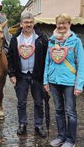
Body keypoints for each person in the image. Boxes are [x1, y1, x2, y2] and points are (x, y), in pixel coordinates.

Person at [43, 13, 84, 147]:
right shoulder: (52, 41)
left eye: (64, 23)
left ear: (69, 24)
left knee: (70, 112)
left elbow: (81, 64)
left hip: (69, 83)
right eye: (59, 23)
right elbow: (47, 62)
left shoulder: (76, 41)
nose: (61, 26)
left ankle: (70, 140)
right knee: (58, 110)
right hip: (54, 81)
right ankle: (61, 137)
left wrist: (79, 85)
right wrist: (46, 80)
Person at [7, 12, 48, 137]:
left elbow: (47, 58)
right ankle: (22, 124)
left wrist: (46, 76)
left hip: (37, 75)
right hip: (21, 75)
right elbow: (10, 56)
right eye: (26, 22)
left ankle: (38, 125)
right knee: (21, 102)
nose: (28, 24)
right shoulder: (15, 38)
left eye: (31, 22)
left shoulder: (41, 38)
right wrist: (12, 74)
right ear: (21, 24)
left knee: (38, 102)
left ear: (33, 23)